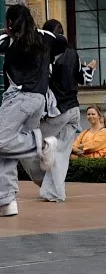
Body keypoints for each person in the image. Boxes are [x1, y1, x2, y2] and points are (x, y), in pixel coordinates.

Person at [0, 3, 67, 216]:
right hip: (38, 100)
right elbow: (63, 42)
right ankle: (4, 201)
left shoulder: (11, 39)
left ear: (8, 24)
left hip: (20, 98)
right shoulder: (45, 36)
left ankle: (41, 144)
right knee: (6, 149)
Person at [32, 21, 95, 202]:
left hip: (57, 110)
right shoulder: (72, 53)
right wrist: (89, 68)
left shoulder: (47, 54)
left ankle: (43, 179)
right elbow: (81, 78)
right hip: (74, 109)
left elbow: (42, 84)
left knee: (29, 141)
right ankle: (55, 192)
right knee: (62, 154)